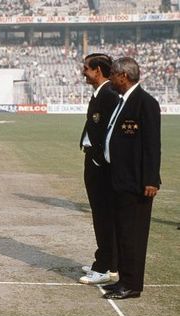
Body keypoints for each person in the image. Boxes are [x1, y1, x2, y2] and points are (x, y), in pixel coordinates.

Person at [102, 57, 161, 300]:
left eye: (113, 75)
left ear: (123, 76)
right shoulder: (121, 101)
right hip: (119, 180)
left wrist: (151, 180)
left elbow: (152, 145)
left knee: (133, 236)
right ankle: (124, 280)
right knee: (122, 233)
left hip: (137, 183)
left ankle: (132, 285)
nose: (111, 80)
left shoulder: (145, 103)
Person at [78, 54, 120, 285]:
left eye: (86, 68)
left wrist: (98, 160)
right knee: (101, 215)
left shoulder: (109, 95)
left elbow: (112, 133)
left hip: (101, 165)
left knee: (104, 216)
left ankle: (104, 267)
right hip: (94, 161)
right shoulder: (100, 94)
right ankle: (107, 261)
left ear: (98, 71)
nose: (83, 72)